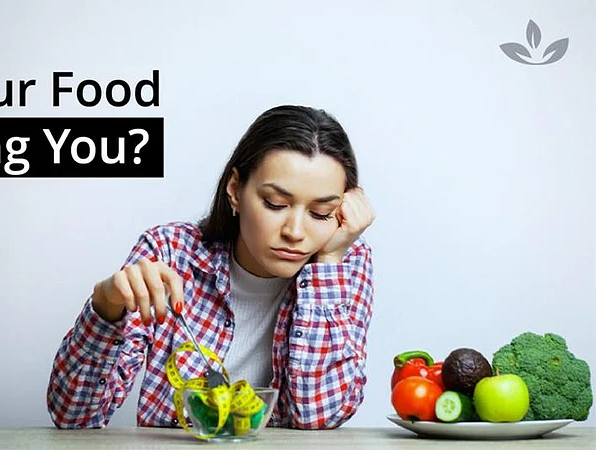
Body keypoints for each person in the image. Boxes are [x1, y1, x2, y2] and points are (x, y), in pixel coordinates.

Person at [46, 105, 376, 430]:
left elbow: (318, 416)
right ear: (235, 190)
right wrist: (106, 307)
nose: (295, 232)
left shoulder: (346, 263)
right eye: (275, 204)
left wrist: (328, 265)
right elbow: (73, 417)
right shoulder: (169, 253)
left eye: (320, 213)